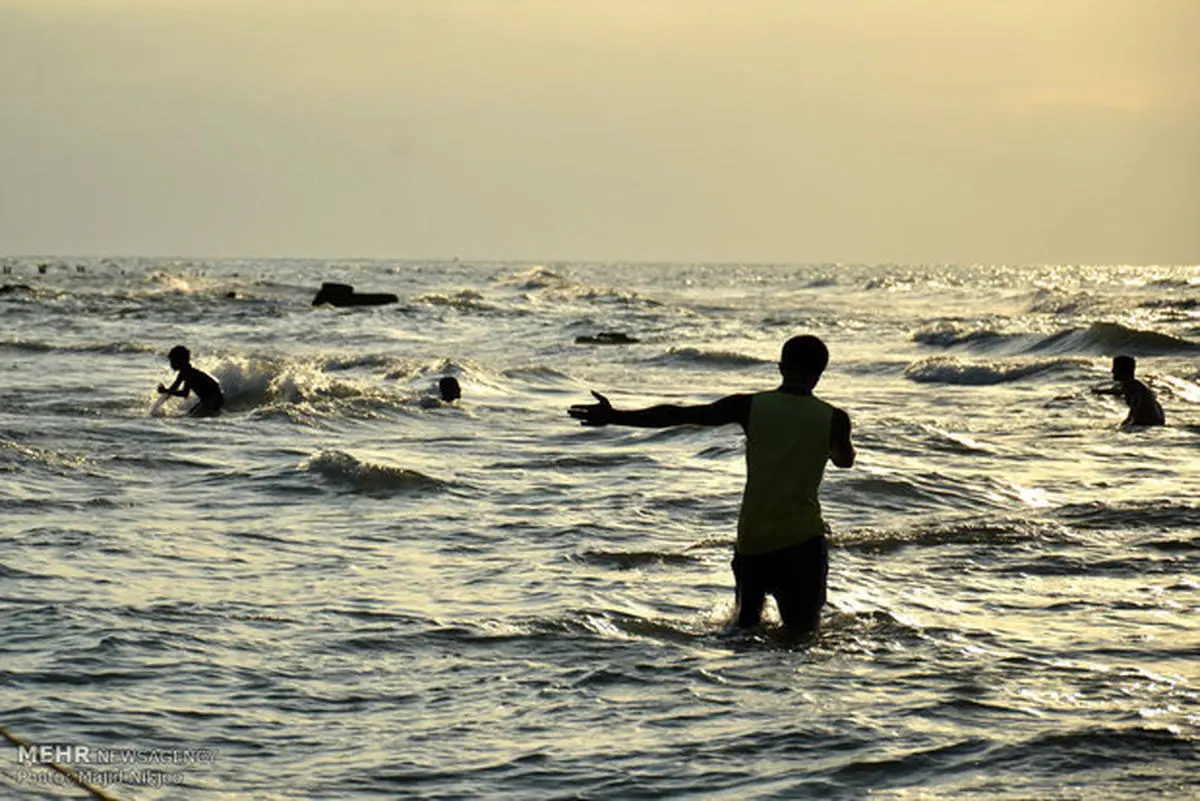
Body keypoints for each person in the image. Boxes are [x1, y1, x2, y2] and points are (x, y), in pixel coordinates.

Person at [568, 334, 855, 635]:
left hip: (754, 541)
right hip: (803, 544)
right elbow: (844, 460)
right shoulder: (833, 418)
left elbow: (678, 414)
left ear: (781, 367)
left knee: (744, 634)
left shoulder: (749, 406)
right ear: (821, 373)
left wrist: (615, 416)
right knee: (803, 638)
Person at [1093, 355, 1164, 427]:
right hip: (1154, 423)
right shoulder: (1134, 384)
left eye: (1115, 368)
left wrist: (1129, 419)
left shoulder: (1132, 386)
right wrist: (1101, 392)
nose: (1112, 371)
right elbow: (1119, 391)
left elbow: (1137, 400)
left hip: (1146, 424)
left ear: (1123, 371)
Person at [158, 345, 224, 417]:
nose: (171, 364)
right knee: (189, 415)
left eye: (172, 361)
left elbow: (185, 393)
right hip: (209, 399)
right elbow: (172, 389)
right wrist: (157, 406)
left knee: (191, 417)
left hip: (213, 398)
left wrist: (165, 391)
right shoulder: (183, 373)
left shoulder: (188, 373)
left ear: (179, 361)